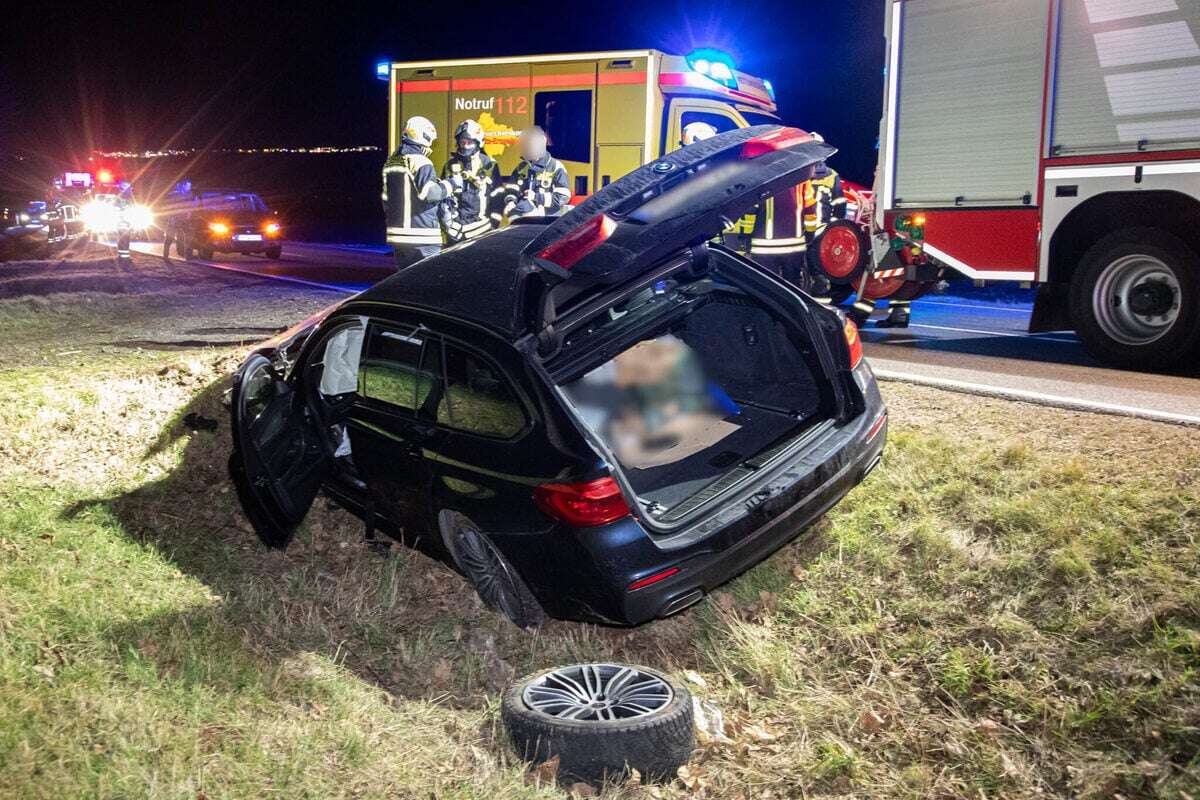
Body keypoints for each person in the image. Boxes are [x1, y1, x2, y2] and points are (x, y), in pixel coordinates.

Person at [383, 116, 461, 270]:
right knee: (427, 283)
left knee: (405, 284)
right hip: (423, 237)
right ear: (424, 136)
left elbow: (386, 199)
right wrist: (450, 184)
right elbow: (430, 194)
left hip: (398, 236)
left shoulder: (391, 161)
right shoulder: (421, 161)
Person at [441, 119, 500, 243]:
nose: (465, 146)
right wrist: (447, 224)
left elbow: (498, 198)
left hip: (481, 230)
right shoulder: (449, 165)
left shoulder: (490, 165)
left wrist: (493, 226)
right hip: (454, 231)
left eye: (470, 142)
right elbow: (442, 197)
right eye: (462, 142)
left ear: (478, 143)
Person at [493, 126, 570, 221]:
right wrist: (511, 201)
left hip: (547, 223)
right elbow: (511, 189)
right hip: (524, 221)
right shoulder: (521, 167)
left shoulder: (556, 167)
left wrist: (536, 197)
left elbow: (563, 197)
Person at [160, 179, 194, 260]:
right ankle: (165, 256)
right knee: (169, 238)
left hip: (184, 219)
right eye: (188, 186)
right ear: (183, 185)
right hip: (174, 218)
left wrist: (189, 212)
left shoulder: (189, 194)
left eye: (190, 186)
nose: (189, 187)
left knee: (189, 236)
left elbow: (190, 205)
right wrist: (171, 217)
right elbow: (171, 206)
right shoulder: (175, 194)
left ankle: (188, 256)